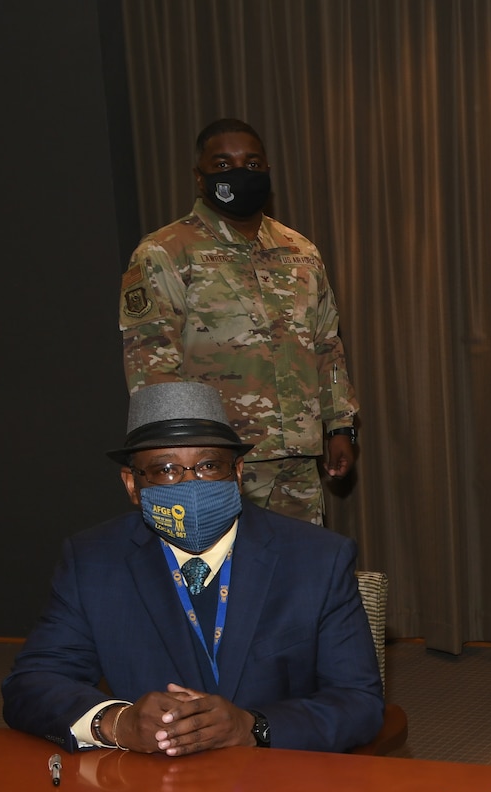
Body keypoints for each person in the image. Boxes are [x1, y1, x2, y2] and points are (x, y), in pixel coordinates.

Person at [2, 381, 384, 755]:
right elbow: (31, 684)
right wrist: (118, 722)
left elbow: (358, 702)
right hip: (149, 791)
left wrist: (253, 726)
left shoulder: (317, 558)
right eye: (166, 470)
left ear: (236, 472)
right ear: (133, 485)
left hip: (279, 786)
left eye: (208, 466)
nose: (191, 484)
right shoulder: (93, 560)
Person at [120, 117, 360, 526]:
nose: (239, 173)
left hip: (297, 459)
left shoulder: (300, 250)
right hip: (216, 462)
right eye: (222, 165)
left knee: (301, 577)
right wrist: (177, 458)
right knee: (229, 579)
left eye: (252, 165)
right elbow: (152, 364)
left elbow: (326, 344)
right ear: (200, 178)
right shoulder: (164, 252)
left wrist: (340, 427)